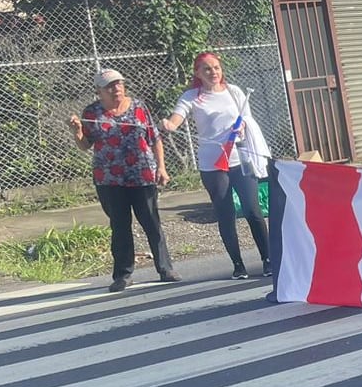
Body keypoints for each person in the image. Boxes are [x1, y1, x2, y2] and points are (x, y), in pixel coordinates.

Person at [161, 51, 271, 280]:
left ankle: (268, 259)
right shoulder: (192, 96)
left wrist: (243, 127)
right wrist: (170, 125)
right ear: (198, 73)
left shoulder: (235, 92)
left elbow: (248, 119)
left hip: (240, 160)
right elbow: (177, 117)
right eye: (207, 69)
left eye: (216, 68)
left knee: (253, 210)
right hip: (212, 165)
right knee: (225, 214)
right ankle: (238, 265)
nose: (213, 72)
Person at [71, 68, 178, 291]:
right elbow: (85, 145)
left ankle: (165, 268)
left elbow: (154, 138)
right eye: (110, 86)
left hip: (142, 175)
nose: (116, 88)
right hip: (110, 179)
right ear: (99, 91)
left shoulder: (138, 106)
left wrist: (161, 167)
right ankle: (123, 274)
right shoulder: (92, 112)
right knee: (120, 226)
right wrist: (77, 131)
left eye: (119, 83)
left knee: (151, 222)